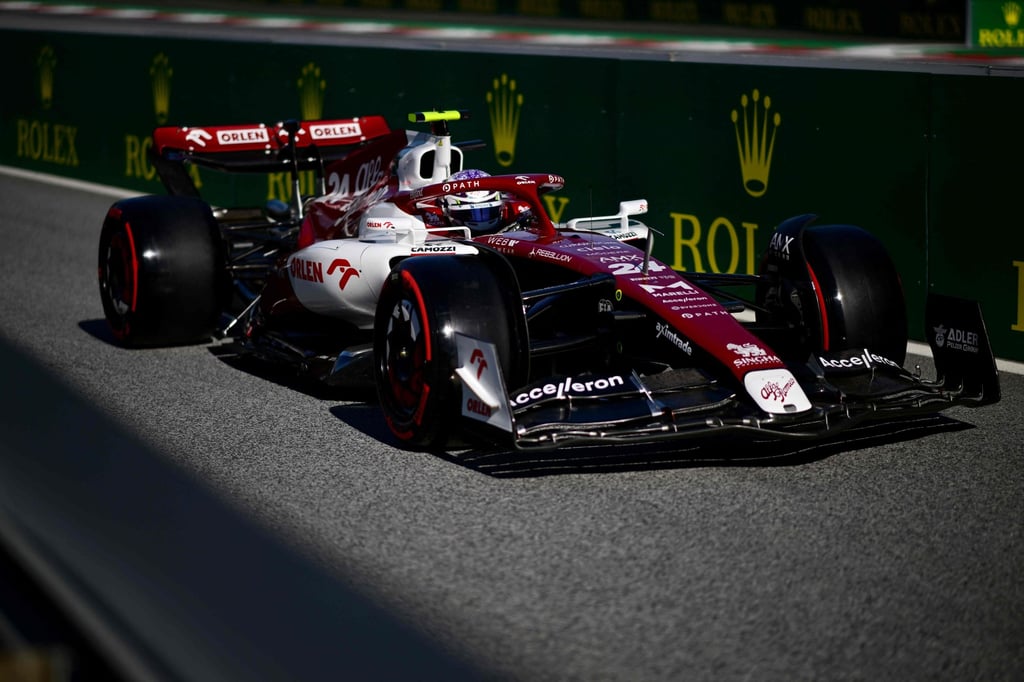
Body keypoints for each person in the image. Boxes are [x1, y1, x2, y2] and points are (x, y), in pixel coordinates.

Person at [440, 169, 533, 235]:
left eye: (488, 212)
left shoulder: (517, 214)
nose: (481, 220)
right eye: (469, 214)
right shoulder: (431, 223)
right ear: (446, 209)